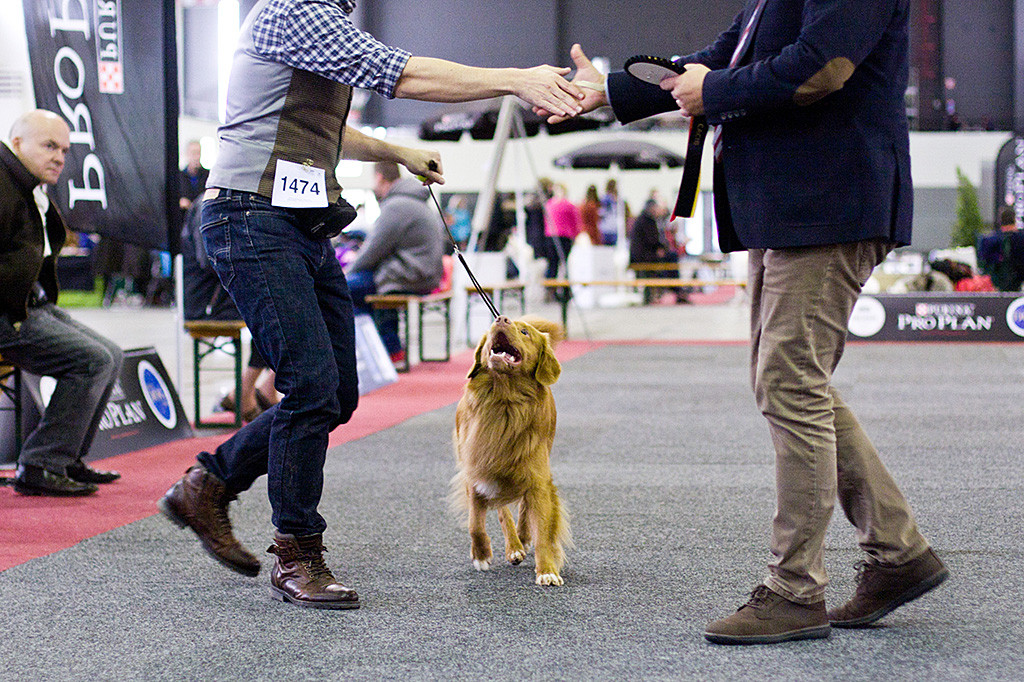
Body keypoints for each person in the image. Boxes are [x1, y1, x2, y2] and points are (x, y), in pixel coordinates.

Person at [158, 0, 585, 610]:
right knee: (310, 386)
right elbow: (402, 73)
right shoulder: (295, 10)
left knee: (336, 394)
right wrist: (515, 80)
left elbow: (322, 132)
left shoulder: (323, 19)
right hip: (251, 217)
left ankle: (208, 483)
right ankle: (296, 552)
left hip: (301, 224)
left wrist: (397, 153)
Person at [544, 0, 947, 645]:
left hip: (827, 202)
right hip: (795, 205)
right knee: (791, 383)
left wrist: (714, 92)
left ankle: (795, 590)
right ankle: (898, 553)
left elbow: (821, 68)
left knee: (790, 384)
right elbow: (727, 53)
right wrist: (616, 91)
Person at [0, 110, 124, 496]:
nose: (59, 157)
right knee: (93, 360)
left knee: (112, 354)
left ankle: (66, 458)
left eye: (65, 151)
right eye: (50, 146)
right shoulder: (3, 185)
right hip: (8, 312)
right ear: (17, 143)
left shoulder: (29, 186)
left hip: (28, 304)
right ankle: (40, 463)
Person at [180, 199, 279, 422]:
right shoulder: (208, 205)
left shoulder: (221, 202)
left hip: (221, 296)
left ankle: (265, 387)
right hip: (208, 304)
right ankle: (246, 391)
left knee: (281, 308)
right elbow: (210, 260)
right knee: (272, 312)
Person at [346, 161, 444, 363]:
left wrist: (344, 273)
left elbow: (372, 251)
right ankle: (387, 347)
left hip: (410, 276)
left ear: (379, 177)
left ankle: (380, 350)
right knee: (360, 286)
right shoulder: (412, 201)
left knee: (343, 288)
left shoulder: (397, 205)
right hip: (420, 274)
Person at [629, 197, 687, 304]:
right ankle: (677, 290)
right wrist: (661, 249)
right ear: (652, 208)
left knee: (670, 259)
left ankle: (676, 289)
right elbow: (653, 241)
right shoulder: (646, 221)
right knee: (671, 259)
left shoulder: (645, 220)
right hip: (644, 256)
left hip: (645, 254)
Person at [543, 182, 582, 302]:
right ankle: (559, 290)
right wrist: (575, 235)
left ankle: (552, 290)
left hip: (555, 237)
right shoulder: (567, 205)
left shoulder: (550, 205)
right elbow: (576, 222)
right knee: (561, 264)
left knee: (555, 264)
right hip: (562, 237)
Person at [178, 139, 209, 217]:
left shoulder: (209, 176)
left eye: (198, 153)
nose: (196, 157)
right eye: (193, 153)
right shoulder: (178, 177)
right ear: (187, 154)